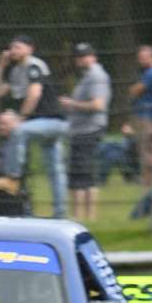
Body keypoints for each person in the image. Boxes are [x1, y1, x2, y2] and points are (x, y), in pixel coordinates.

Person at [0, 35, 68, 218]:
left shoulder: (34, 65)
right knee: (55, 170)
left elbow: (34, 94)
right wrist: (0, 65)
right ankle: (60, 215)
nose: (13, 51)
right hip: (40, 124)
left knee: (18, 131)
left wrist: (21, 119)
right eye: (11, 47)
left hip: (52, 121)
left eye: (17, 47)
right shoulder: (15, 72)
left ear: (30, 48)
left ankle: (12, 178)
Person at [60, 42, 111, 222]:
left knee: (83, 175)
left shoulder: (96, 76)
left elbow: (98, 105)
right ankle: (82, 217)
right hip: (80, 130)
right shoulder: (88, 76)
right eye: (78, 56)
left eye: (84, 56)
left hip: (89, 130)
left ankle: (84, 217)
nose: (80, 59)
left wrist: (71, 104)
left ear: (93, 56)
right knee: (82, 174)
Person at [128, 45, 152, 189]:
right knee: (148, 149)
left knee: (146, 150)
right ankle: (148, 181)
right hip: (149, 115)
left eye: (143, 58)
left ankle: (150, 181)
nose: (140, 61)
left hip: (147, 117)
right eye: (139, 58)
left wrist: (133, 88)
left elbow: (135, 91)